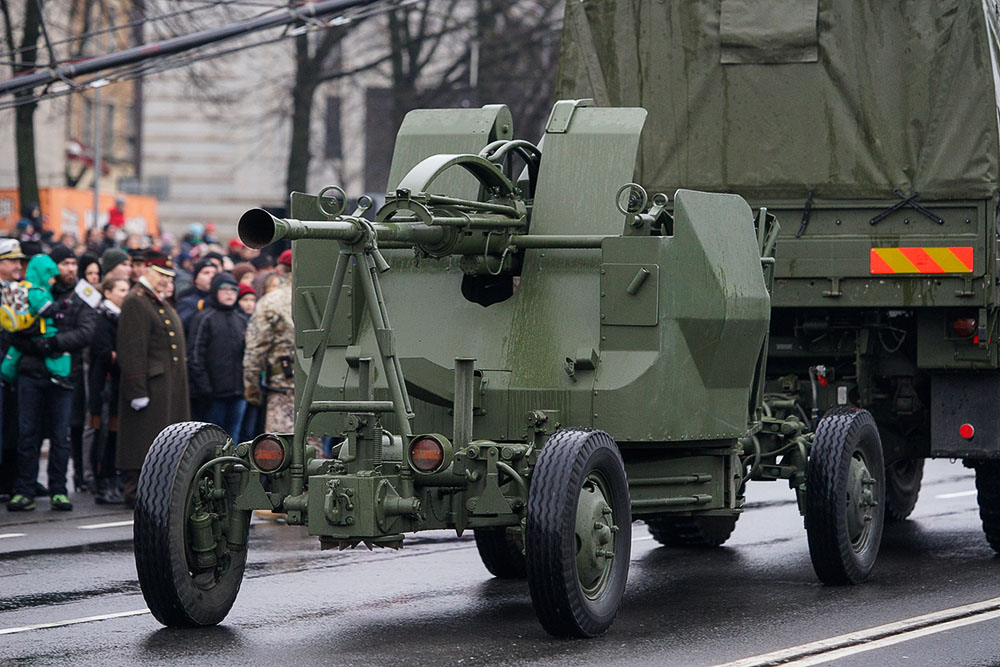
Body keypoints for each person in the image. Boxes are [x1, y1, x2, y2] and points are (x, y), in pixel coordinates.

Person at [7, 245, 96, 511]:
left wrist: (55, 342)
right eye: (64, 263)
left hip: (64, 377)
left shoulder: (80, 296)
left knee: (60, 437)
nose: (70, 268)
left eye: (72, 263)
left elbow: (86, 331)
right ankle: (24, 490)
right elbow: (13, 328)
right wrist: (36, 345)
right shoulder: (30, 291)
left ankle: (59, 490)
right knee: (28, 434)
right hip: (30, 373)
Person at [116, 251, 189, 507]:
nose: (164, 281)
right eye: (160, 275)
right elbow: (132, 348)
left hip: (168, 384)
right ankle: (136, 491)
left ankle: (157, 490)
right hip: (151, 385)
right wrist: (137, 388)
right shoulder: (136, 301)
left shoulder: (156, 301)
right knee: (142, 440)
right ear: (147, 270)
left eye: (168, 276)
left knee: (163, 440)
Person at [188, 272, 247, 441]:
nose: (229, 294)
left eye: (233, 290)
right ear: (215, 291)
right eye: (224, 289)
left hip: (238, 392)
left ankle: (232, 467)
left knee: (234, 437)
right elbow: (195, 355)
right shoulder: (204, 318)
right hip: (214, 393)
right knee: (213, 439)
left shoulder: (241, 319)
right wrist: (204, 387)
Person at [1, 254, 73, 388]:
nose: (53, 281)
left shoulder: (36, 289)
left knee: (15, 354)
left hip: (33, 328)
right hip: (41, 328)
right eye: (51, 277)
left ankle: (6, 375)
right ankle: (60, 374)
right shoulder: (36, 291)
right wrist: (61, 305)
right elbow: (45, 309)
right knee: (58, 354)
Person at [244, 253, 295, 436]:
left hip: (282, 384)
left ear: (279, 270)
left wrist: (251, 386)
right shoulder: (325, 297)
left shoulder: (270, 302)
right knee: (314, 450)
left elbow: (255, 348)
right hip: (318, 388)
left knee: (281, 448)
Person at [89, 276, 129, 504]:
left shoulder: (123, 318)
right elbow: (104, 353)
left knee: (115, 437)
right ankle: (102, 483)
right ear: (108, 293)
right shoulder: (102, 318)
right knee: (104, 435)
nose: (126, 293)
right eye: (121, 289)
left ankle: (113, 480)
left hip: (118, 386)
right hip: (105, 386)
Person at [0, 239, 27, 501]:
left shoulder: (17, 290)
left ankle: (10, 480)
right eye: (12, 261)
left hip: (16, 368)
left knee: (14, 427)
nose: (19, 266)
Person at [176, 259, 216, 332]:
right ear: (196, 279)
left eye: (214, 273)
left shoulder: (221, 300)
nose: (212, 276)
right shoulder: (186, 301)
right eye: (206, 273)